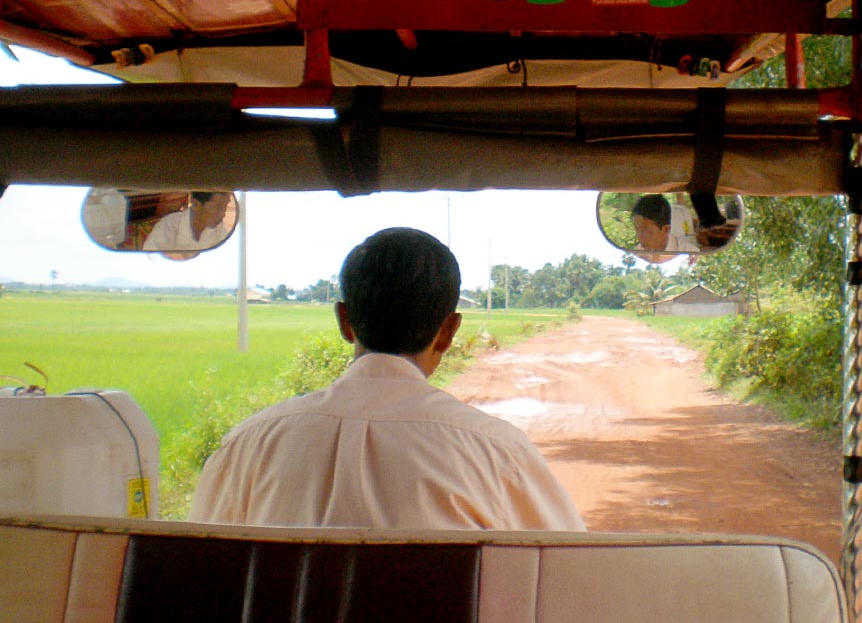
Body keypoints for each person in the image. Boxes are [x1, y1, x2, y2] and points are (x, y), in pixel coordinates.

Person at [189, 227, 585, 531]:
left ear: (345, 321)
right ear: (448, 332)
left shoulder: (248, 445)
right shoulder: (497, 453)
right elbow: (568, 573)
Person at [141, 190, 233, 257]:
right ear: (196, 205)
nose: (223, 213)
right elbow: (150, 258)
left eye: (225, 206)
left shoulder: (219, 229)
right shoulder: (168, 225)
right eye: (217, 207)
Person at [631, 193, 699, 254]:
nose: (639, 237)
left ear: (666, 229)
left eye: (645, 231)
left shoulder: (690, 253)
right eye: (636, 229)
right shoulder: (637, 253)